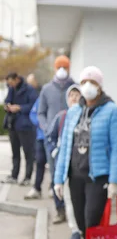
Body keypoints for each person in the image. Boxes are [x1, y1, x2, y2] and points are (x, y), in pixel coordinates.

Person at [54, 67, 117, 239]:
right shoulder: (74, 112)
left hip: (98, 177)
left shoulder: (112, 111)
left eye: (91, 81)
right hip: (75, 175)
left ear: (99, 85)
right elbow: (65, 146)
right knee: (83, 224)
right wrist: (58, 178)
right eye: (83, 81)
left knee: (94, 223)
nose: (86, 86)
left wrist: (114, 181)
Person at [38, 56, 76, 223]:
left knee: (73, 175)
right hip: (53, 141)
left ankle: (75, 210)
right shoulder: (47, 89)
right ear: (55, 68)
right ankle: (60, 210)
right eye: (59, 66)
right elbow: (41, 112)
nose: (62, 69)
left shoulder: (75, 88)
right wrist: (47, 128)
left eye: (65, 66)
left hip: (72, 138)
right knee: (55, 175)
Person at [46, 85, 84, 239]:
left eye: (77, 95)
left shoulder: (86, 116)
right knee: (69, 200)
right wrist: (56, 151)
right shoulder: (62, 116)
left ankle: (86, 230)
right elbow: (51, 136)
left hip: (83, 166)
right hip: (66, 166)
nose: (74, 98)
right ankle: (75, 230)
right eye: (71, 95)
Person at [3, 73, 38, 186]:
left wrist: (20, 108)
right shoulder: (11, 89)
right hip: (13, 124)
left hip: (26, 126)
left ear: (17, 79)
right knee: (15, 153)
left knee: (28, 153)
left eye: (11, 82)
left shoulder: (29, 89)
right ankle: (14, 175)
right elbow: (7, 100)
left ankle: (27, 177)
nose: (11, 85)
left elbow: (34, 105)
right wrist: (7, 106)